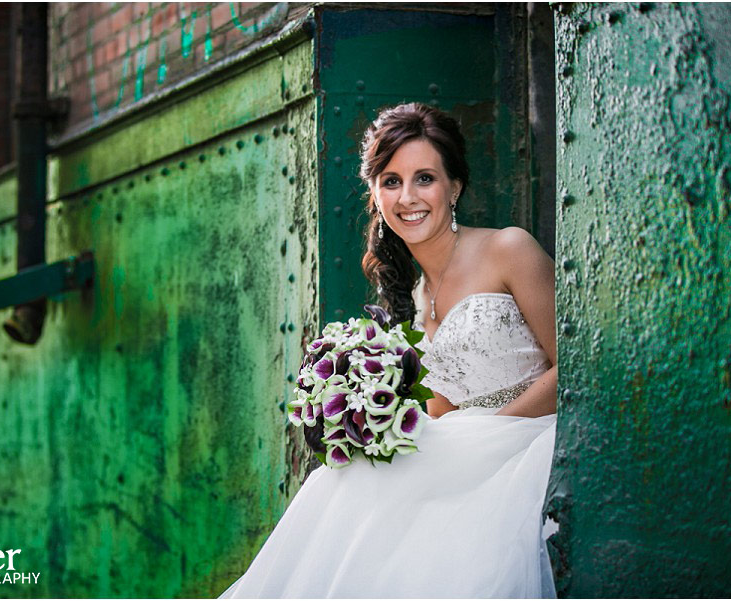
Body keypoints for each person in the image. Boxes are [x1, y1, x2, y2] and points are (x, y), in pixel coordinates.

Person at [219, 102, 558, 598]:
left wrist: (485, 436)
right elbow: (442, 410)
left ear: (454, 186)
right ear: (376, 196)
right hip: (464, 451)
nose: (408, 196)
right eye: (391, 181)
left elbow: (574, 368)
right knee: (346, 486)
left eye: (425, 178)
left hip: (529, 443)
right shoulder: (411, 299)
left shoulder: (509, 249)